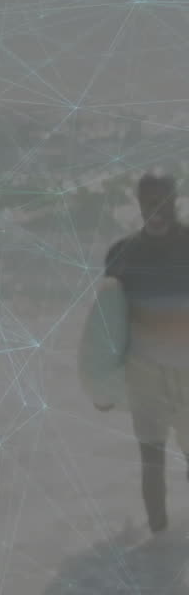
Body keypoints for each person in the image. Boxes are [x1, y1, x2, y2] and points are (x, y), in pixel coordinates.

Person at [100, 171, 189, 534]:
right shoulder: (121, 254)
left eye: (164, 200)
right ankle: (158, 545)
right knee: (151, 461)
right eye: (149, 201)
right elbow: (110, 323)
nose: (157, 209)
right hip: (145, 375)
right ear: (138, 204)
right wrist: (100, 383)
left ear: (176, 200)